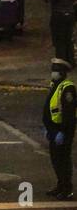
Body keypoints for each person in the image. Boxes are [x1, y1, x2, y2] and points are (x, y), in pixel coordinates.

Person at [42, 58, 75, 199]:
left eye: (56, 71)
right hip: (53, 129)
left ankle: (67, 189)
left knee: (63, 159)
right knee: (56, 159)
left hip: (63, 130)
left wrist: (62, 131)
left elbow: (68, 113)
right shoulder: (55, 85)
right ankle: (60, 185)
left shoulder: (67, 88)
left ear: (62, 73)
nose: (53, 73)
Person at [49, 0, 75, 65]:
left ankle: (61, 60)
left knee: (59, 39)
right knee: (68, 38)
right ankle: (69, 60)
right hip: (69, 14)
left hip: (59, 14)